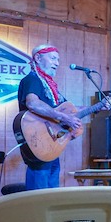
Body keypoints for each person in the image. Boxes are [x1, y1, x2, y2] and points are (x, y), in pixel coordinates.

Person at [17, 44, 82, 190]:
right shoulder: (32, 79)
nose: (57, 63)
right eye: (53, 58)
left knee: (51, 195)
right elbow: (33, 103)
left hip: (51, 146)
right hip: (38, 143)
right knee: (39, 197)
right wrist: (64, 118)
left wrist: (98, 107)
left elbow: (71, 111)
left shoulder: (50, 86)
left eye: (58, 60)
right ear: (38, 58)